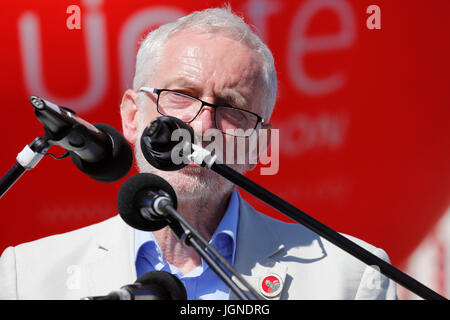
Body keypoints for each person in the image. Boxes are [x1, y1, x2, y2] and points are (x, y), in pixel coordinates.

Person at [0, 7, 397, 300]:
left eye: (233, 108)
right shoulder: (27, 277)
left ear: (258, 145)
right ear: (132, 115)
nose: (202, 127)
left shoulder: (351, 277)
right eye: (181, 96)